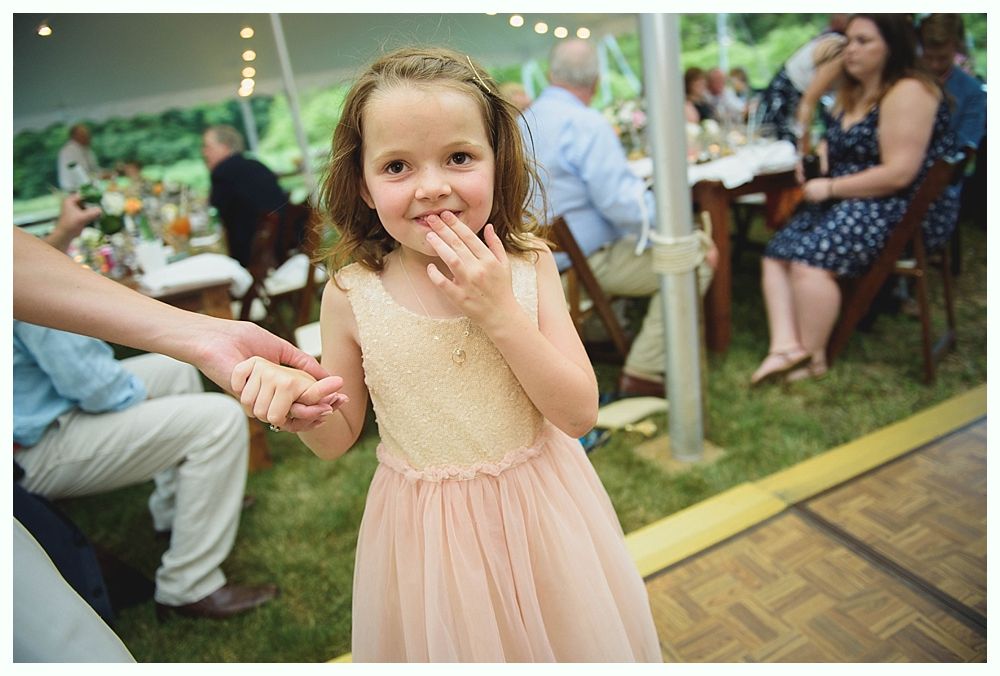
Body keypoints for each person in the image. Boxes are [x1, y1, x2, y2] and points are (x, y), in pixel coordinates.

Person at [228, 46, 662, 662]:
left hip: (543, 510)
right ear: (364, 186)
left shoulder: (529, 264)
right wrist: (297, 408)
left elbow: (577, 415)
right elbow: (336, 437)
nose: (433, 187)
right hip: (428, 534)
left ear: (497, 161)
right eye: (398, 166)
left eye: (459, 157)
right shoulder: (352, 296)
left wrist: (499, 314)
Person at [750, 14, 958, 386]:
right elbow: (829, 143)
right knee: (777, 252)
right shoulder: (854, 92)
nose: (851, 50)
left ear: (892, 46)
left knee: (808, 261)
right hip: (855, 199)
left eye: (864, 41)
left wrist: (829, 188)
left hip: (902, 208)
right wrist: (817, 145)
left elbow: (899, 174)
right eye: (848, 40)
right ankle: (784, 348)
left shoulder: (909, 91)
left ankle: (812, 357)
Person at [523, 39, 715, 397]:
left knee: (628, 237)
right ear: (595, 83)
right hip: (578, 268)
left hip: (534, 262)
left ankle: (599, 331)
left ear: (550, 75)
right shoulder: (585, 123)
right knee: (694, 258)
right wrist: (678, 228)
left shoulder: (521, 121)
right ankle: (644, 369)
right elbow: (622, 204)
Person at [201, 124, 295, 267]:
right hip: (282, 248)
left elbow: (213, 214)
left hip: (250, 257)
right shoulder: (256, 164)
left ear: (224, 147)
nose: (205, 153)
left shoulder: (222, 172)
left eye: (208, 147)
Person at [758, 14, 849, 148]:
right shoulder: (839, 53)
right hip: (787, 88)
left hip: (798, 89)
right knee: (782, 142)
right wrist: (804, 149)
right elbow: (808, 102)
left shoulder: (838, 42)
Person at [57, 123, 105, 191]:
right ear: (75, 136)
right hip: (74, 189)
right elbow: (82, 173)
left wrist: (103, 173)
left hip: (85, 186)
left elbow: (94, 168)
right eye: (85, 135)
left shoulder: (86, 149)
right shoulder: (69, 151)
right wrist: (100, 176)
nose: (89, 137)